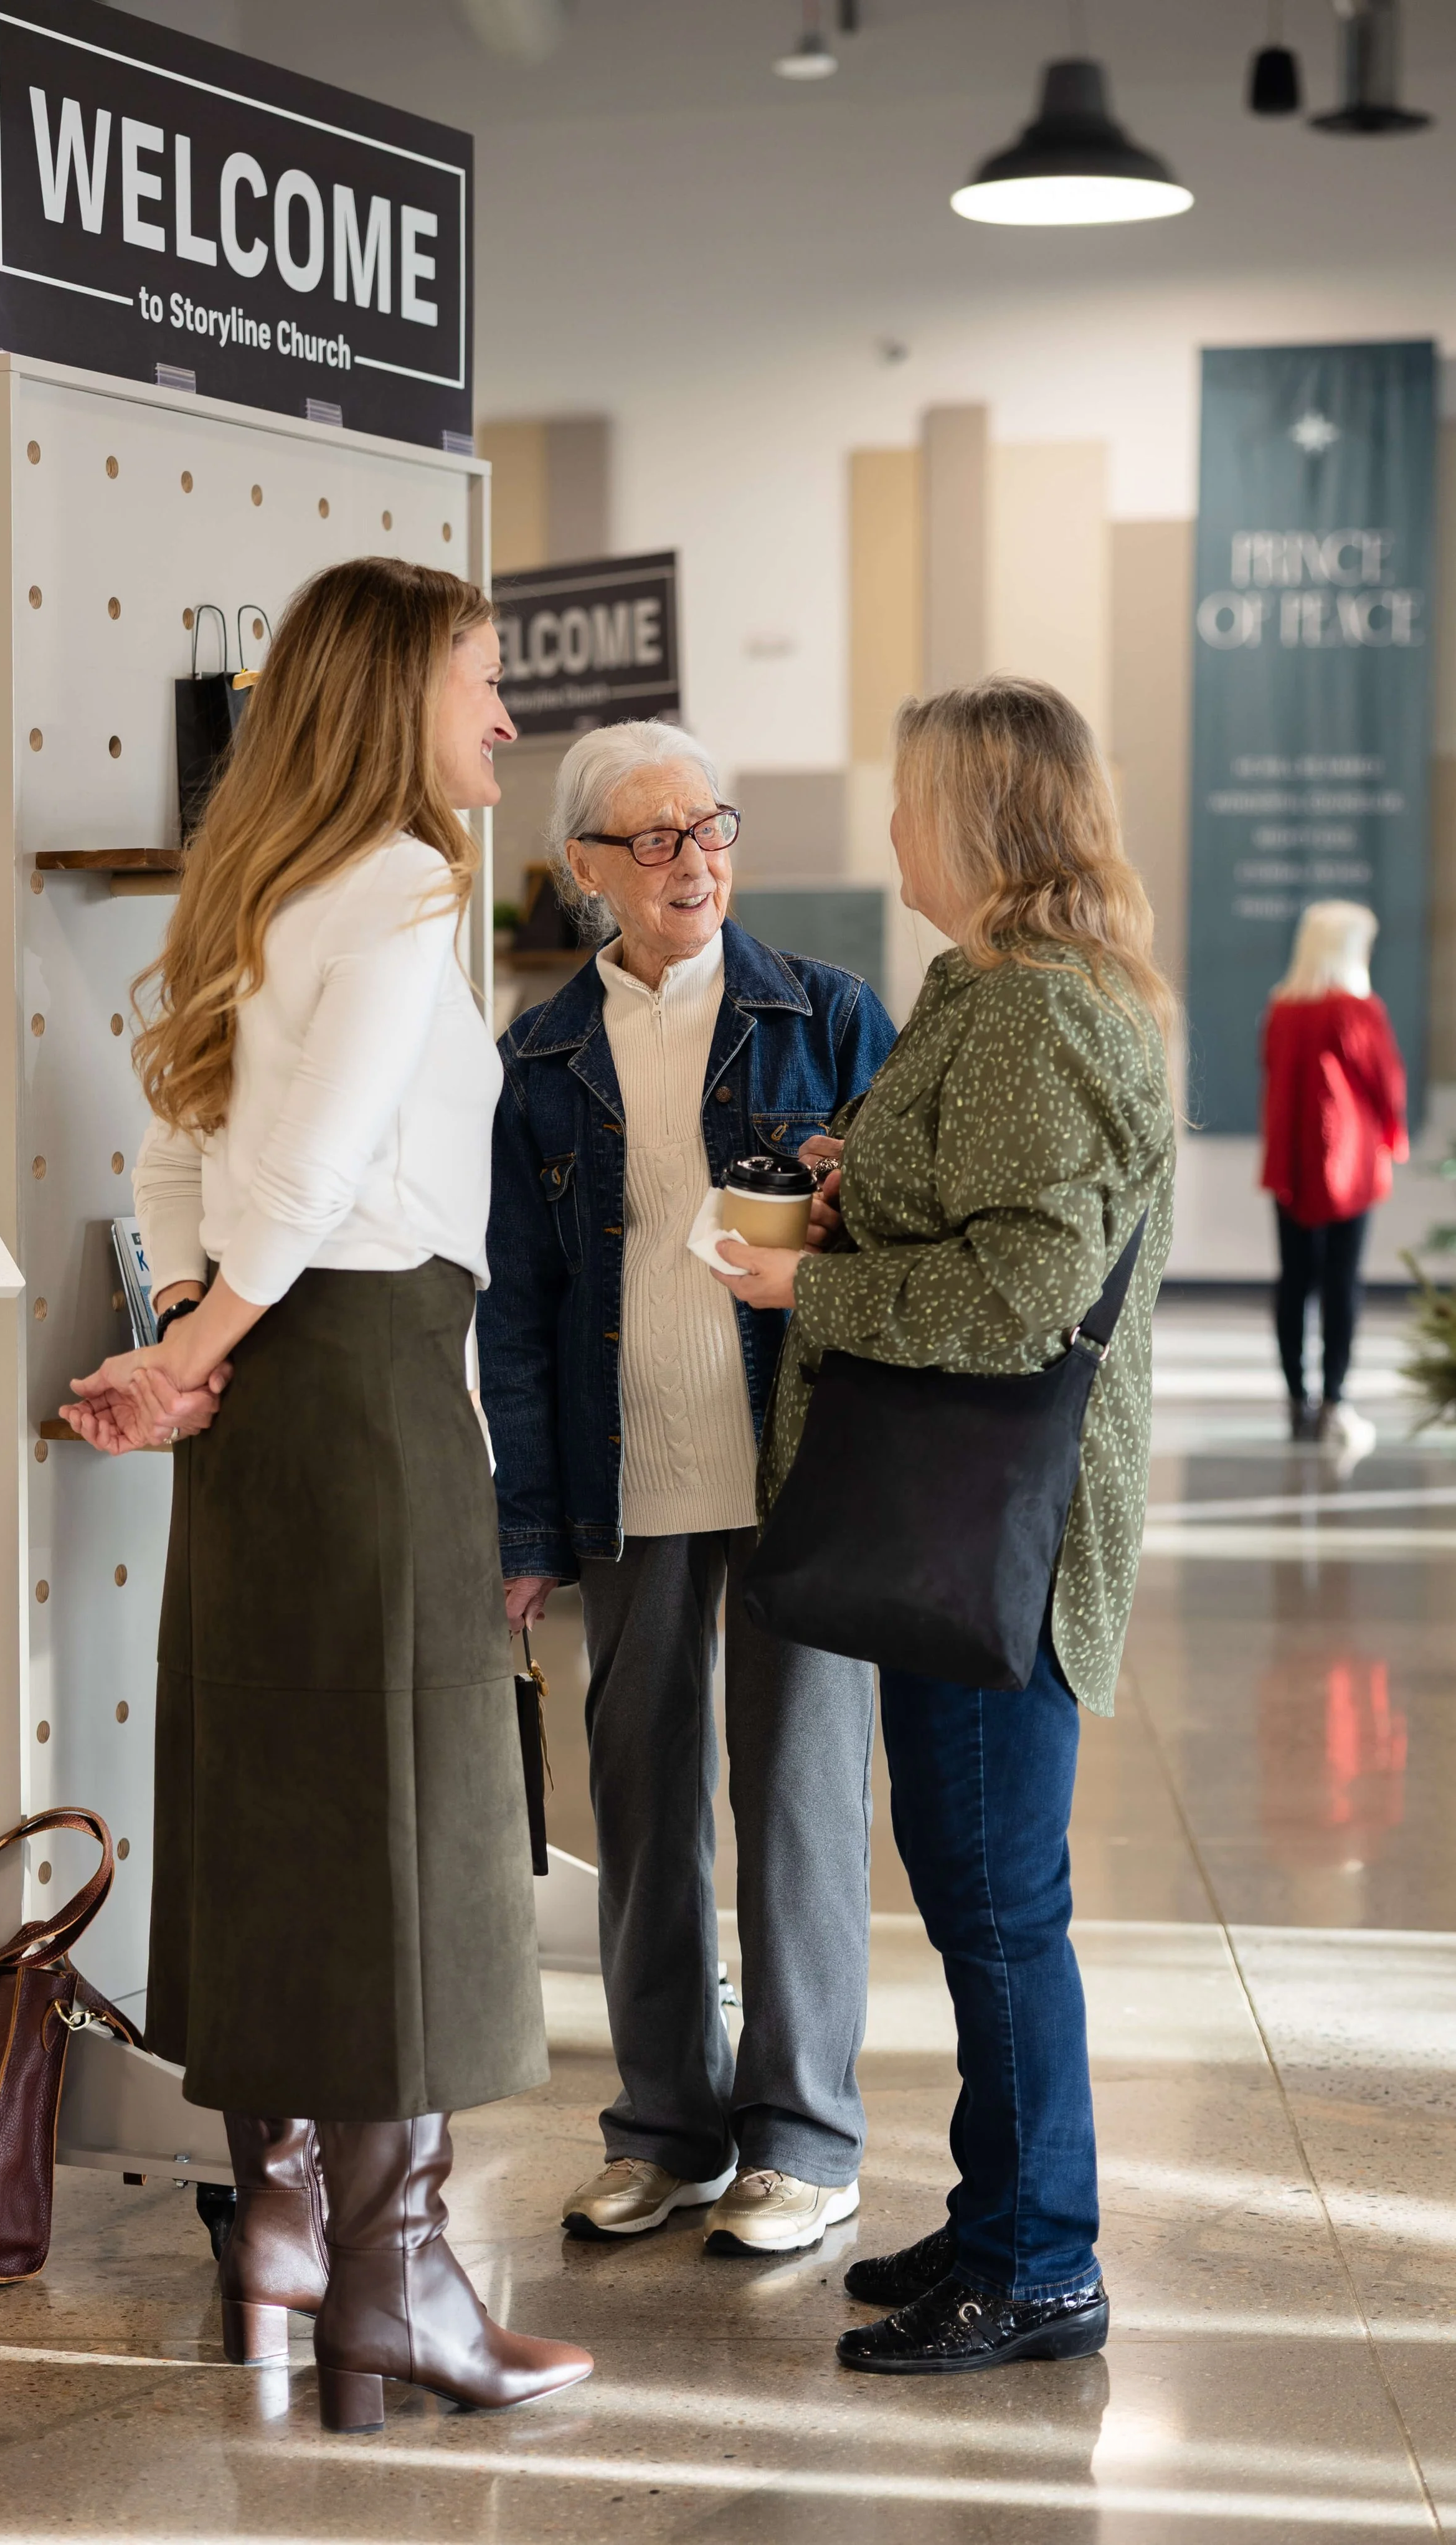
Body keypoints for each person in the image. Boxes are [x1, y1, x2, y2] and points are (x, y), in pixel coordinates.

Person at [59, 558, 592, 2432]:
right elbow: (311, 1171)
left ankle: (279, 2232)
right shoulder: (400, 891)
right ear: (391, 703)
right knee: (414, 1828)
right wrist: (198, 1344)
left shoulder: (251, 892)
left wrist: (187, 1354)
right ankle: (402, 2286)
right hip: (361, 1403)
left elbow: (179, 1161)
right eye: (483, 684)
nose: (507, 721)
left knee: (277, 1808)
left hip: (262, 1417)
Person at [712, 675, 1176, 2375]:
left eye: (911, 797)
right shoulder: (979, 987)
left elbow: (1021, 1287)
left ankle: (1042, 2257)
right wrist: (859, 1176)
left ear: (976, 815)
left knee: (995, 1904)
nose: (891, 827)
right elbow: (976, 1207)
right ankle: (998, 2213)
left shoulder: (1035, 1012)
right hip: (960, 1517)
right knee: (978, 1886)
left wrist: (807, 1276)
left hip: (998, 1538)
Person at [478, 719, 897, 2256]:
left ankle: (805, 2135)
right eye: (652, 838)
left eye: (709, 826)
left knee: (796, 1803)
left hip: (796, 1472)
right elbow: (514, 1310)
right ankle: (669, 2127)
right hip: (626, 1470)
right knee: (649, 1812)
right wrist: (527, 1525)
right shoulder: (537, 1055)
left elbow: (909, 1246)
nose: (693, 860)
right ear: (587, 867)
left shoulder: (831, 1015)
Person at [1260, 899, 1406, 1456]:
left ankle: (1297, 1398)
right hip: (1349, 1168)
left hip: (1292, 1165)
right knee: (1343, 1281)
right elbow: (1385, 1084)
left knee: (1294, 1281)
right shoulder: (1358, 1008)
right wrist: (1394, 1137)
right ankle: (1336, 1398)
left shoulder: (1281, 1008)